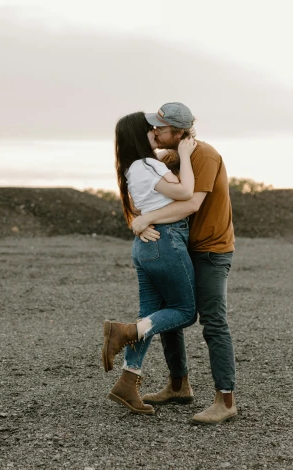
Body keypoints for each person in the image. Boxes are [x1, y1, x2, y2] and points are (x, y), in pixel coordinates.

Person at [132, 102, 238, 424]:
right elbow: (143, 197)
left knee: (213, 320)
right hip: (180, 246)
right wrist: (140, 219)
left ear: (178, 132)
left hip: (210, 249)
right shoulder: (168, 158)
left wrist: (147, 218)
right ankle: (178, 386)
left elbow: (191, 204)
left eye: (160, 128)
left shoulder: (203, 155)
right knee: (171, 310)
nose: (154, 132)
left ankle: (226, 400)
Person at [102, 111, 198, 414]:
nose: (157, 132)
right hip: (165, 242)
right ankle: (125, 331)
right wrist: (184, 153)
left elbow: (145, 207)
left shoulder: (132, 168)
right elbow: (185, 194)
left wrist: (144, 221)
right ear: (139, 135)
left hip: (146, 245)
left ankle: (128, 383)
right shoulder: (148, 164)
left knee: (148, 317)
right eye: (151, 129)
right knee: (185, 311)